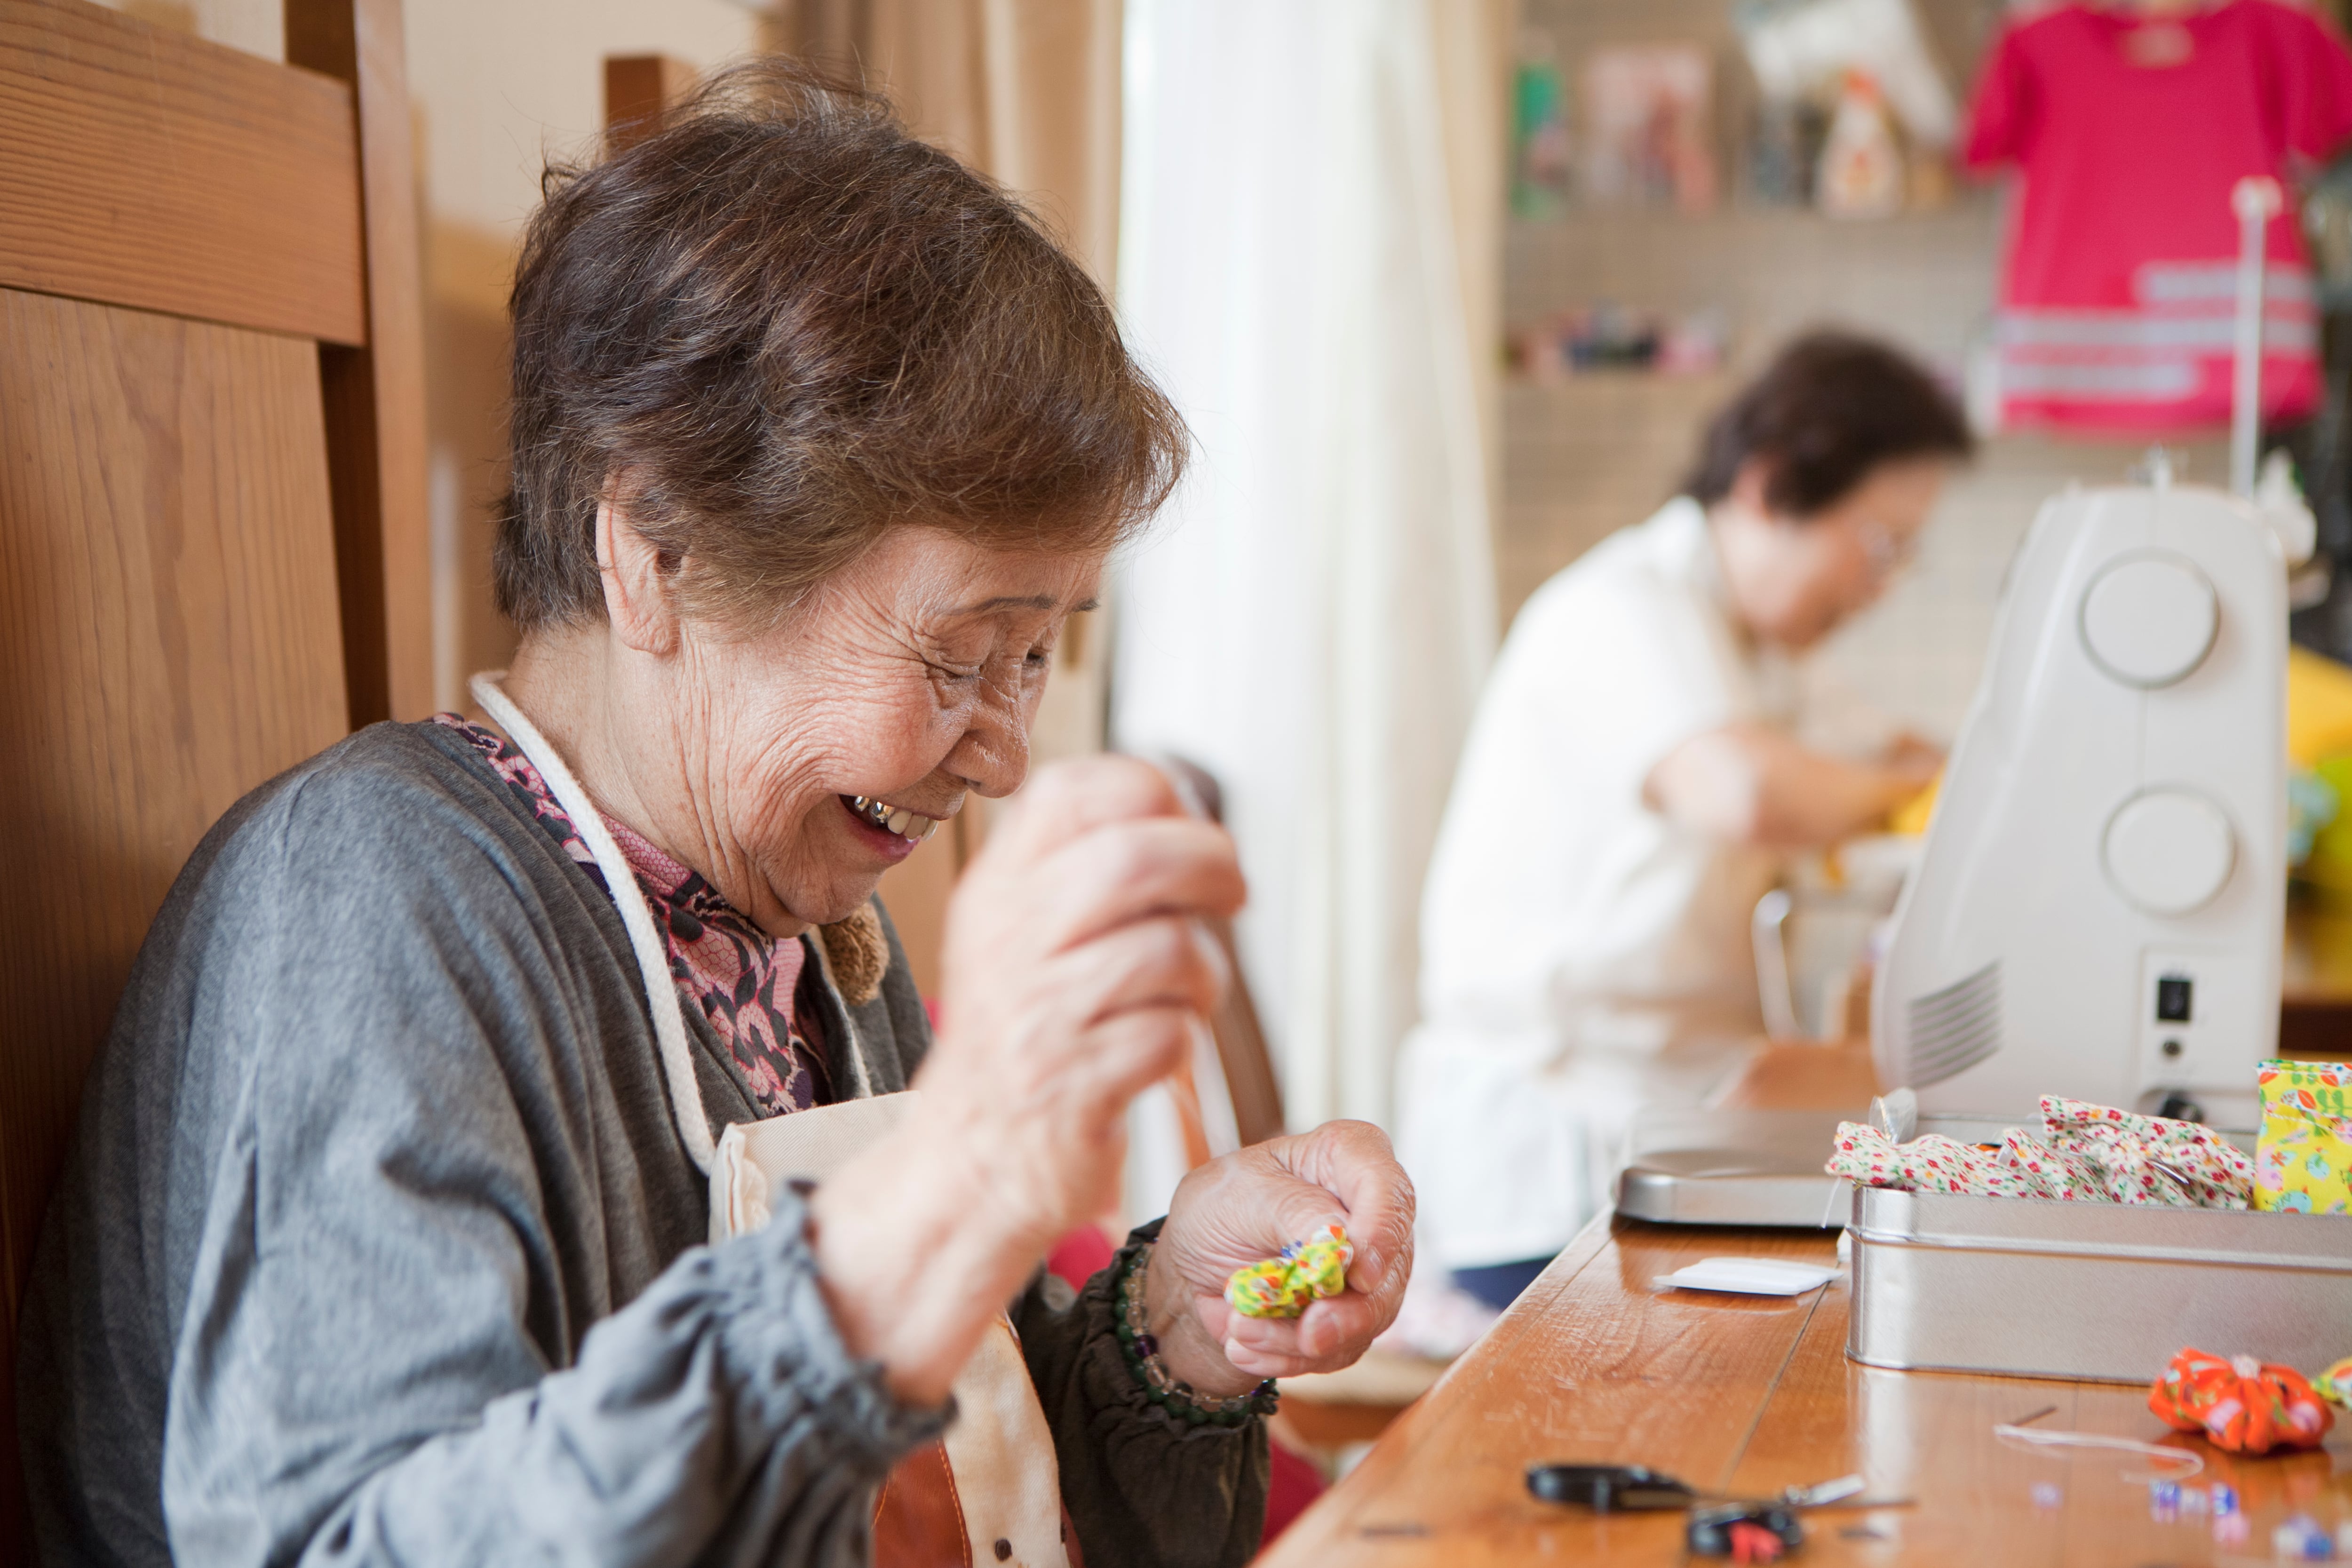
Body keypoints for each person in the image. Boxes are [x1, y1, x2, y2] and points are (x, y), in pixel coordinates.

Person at [18, 65, 1411, 1568]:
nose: (1003, 752)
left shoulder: (811, 941)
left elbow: (961, 1486)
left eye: (1039, 651)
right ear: (656, 553)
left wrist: (1174, 1326)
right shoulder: (374, 901)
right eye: (958, 653)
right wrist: (936, 1203)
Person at [1397, 331, 1972, 1310]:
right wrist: (1882, 783)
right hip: (1550, 1161)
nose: (1878, 586)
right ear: (1768, 483)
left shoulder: (1757, 650)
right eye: (1878, 544)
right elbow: (1753, 794)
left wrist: (1892, 774)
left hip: (1667, 1113)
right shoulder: (1621, 607)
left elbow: (1898, 760)